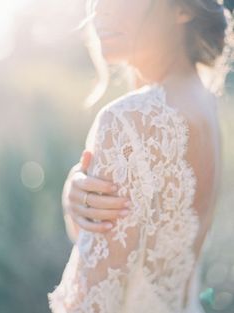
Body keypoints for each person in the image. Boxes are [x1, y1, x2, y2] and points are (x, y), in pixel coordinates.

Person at [48, 1, 234, 312]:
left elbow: (88, 304)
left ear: (182, 9)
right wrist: (74, 202)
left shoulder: (129, 121)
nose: (100, 10)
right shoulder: (202, 100)